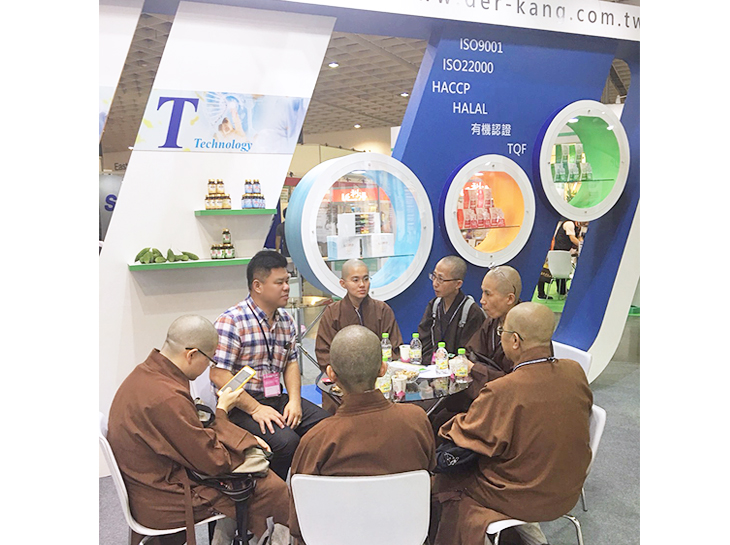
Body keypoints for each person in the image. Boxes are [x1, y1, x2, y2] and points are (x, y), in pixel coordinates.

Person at [107, 315, 290, 545]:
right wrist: (225, 415)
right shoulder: (167, 397)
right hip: (163, 495)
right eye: (209, 360)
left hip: (147, 483)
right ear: (191, 354)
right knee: (273, 488)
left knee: (250, 464)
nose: (208, 368)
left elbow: (190, 432)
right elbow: (214, 461)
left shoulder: (146, 373)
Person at [431, 303, 593, 545]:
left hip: (522, 494)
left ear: (515, 340)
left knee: (445, 481)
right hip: (568, 488)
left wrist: (446, 424)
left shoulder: (504, 389)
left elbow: (466, 433)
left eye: (502, 332)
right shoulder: (575, 371)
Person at [289, 325, 436, 544]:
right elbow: (429, 479)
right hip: (406, 536)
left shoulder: (317, 439)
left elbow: (299, 522)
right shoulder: (416, 421)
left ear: (331, 374)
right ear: (383, 369)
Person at [211, 250, 330, 481]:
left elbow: (291, 363)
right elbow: (218, 375)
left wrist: (294, 401)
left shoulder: (286, 320)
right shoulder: (232, 321)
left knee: (326, 426)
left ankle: (307, 485)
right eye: (279, 282)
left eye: (287, 281)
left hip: (276, 397)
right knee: (286, 442)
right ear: (257, 286)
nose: (286, 287)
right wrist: (256, 409)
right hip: (240, 406)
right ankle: (273, 492)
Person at [315, 258, 403, 413]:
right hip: (343, 384)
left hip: (377, 379)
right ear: (343, 283)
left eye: (366, 279)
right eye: (355, 280)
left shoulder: (382, 310)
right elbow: (324, 352)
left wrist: (376, 373)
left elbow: (394, 347)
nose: (362, 285)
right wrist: (345, 378)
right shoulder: (332, 313)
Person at [417, 255, 486, 364]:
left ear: (458, 284)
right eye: (434, 276)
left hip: (459, 370)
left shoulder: (471, 311)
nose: (435, 283)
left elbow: (472, 352)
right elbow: (424, 341)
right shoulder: (434, 305)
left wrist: (449, 364)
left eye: (441, 279)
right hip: (434, 368)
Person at [537, 219, 586, 299]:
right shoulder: (569, 224)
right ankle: (541, 293)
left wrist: (581, 243)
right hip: (557, 252)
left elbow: (579, 238)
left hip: (563, 253)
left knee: (561, 271)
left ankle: (561, 290)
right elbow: (572, 239)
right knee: (545, 273)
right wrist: (583, 247)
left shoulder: (578, 226)